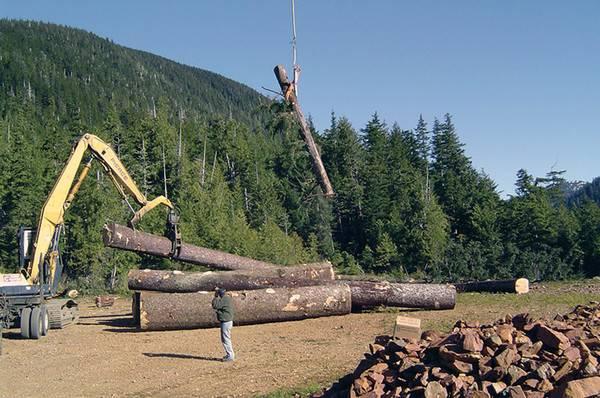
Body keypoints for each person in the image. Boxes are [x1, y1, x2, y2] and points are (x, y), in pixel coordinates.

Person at [212, 287, 235, 362]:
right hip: (228, 321)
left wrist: (215, 296)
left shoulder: (224, 299)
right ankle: (230, 355)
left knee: (226, 339)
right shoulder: (227, 298)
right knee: (226, 338)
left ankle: (230, 356)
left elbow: (215, 306)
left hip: (226, 322)